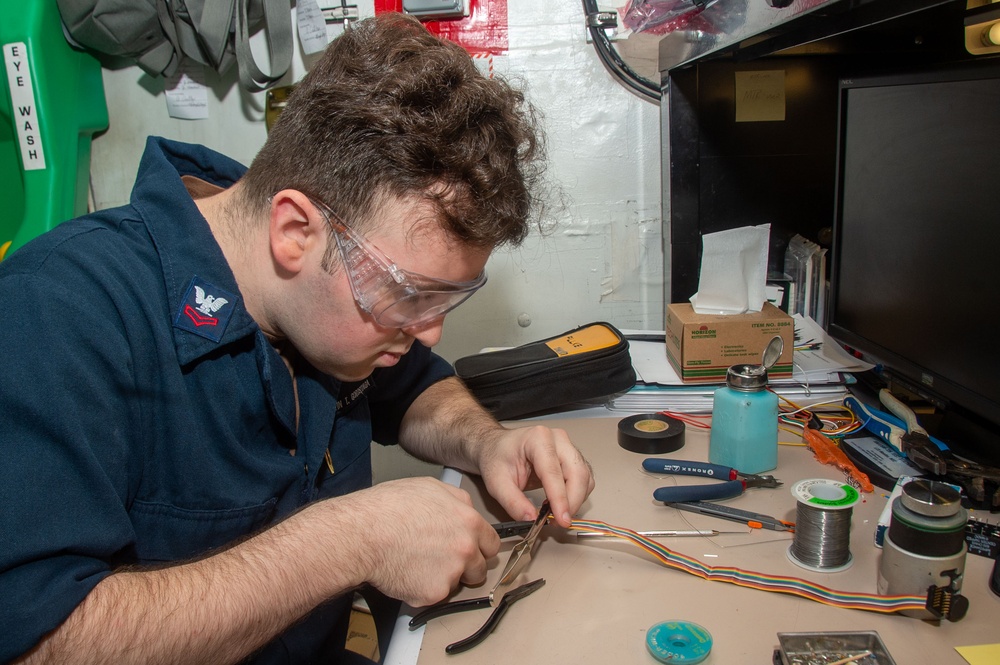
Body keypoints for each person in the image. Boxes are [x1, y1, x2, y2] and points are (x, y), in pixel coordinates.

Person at [0, 12, 595, 664]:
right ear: (293, 233)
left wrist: (489, 442)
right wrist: (351, 541)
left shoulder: (328, 309)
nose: (430, 329)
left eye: (451, 297)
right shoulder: (56, 312)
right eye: (413, 293)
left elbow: (417, 388)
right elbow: (40, 641)